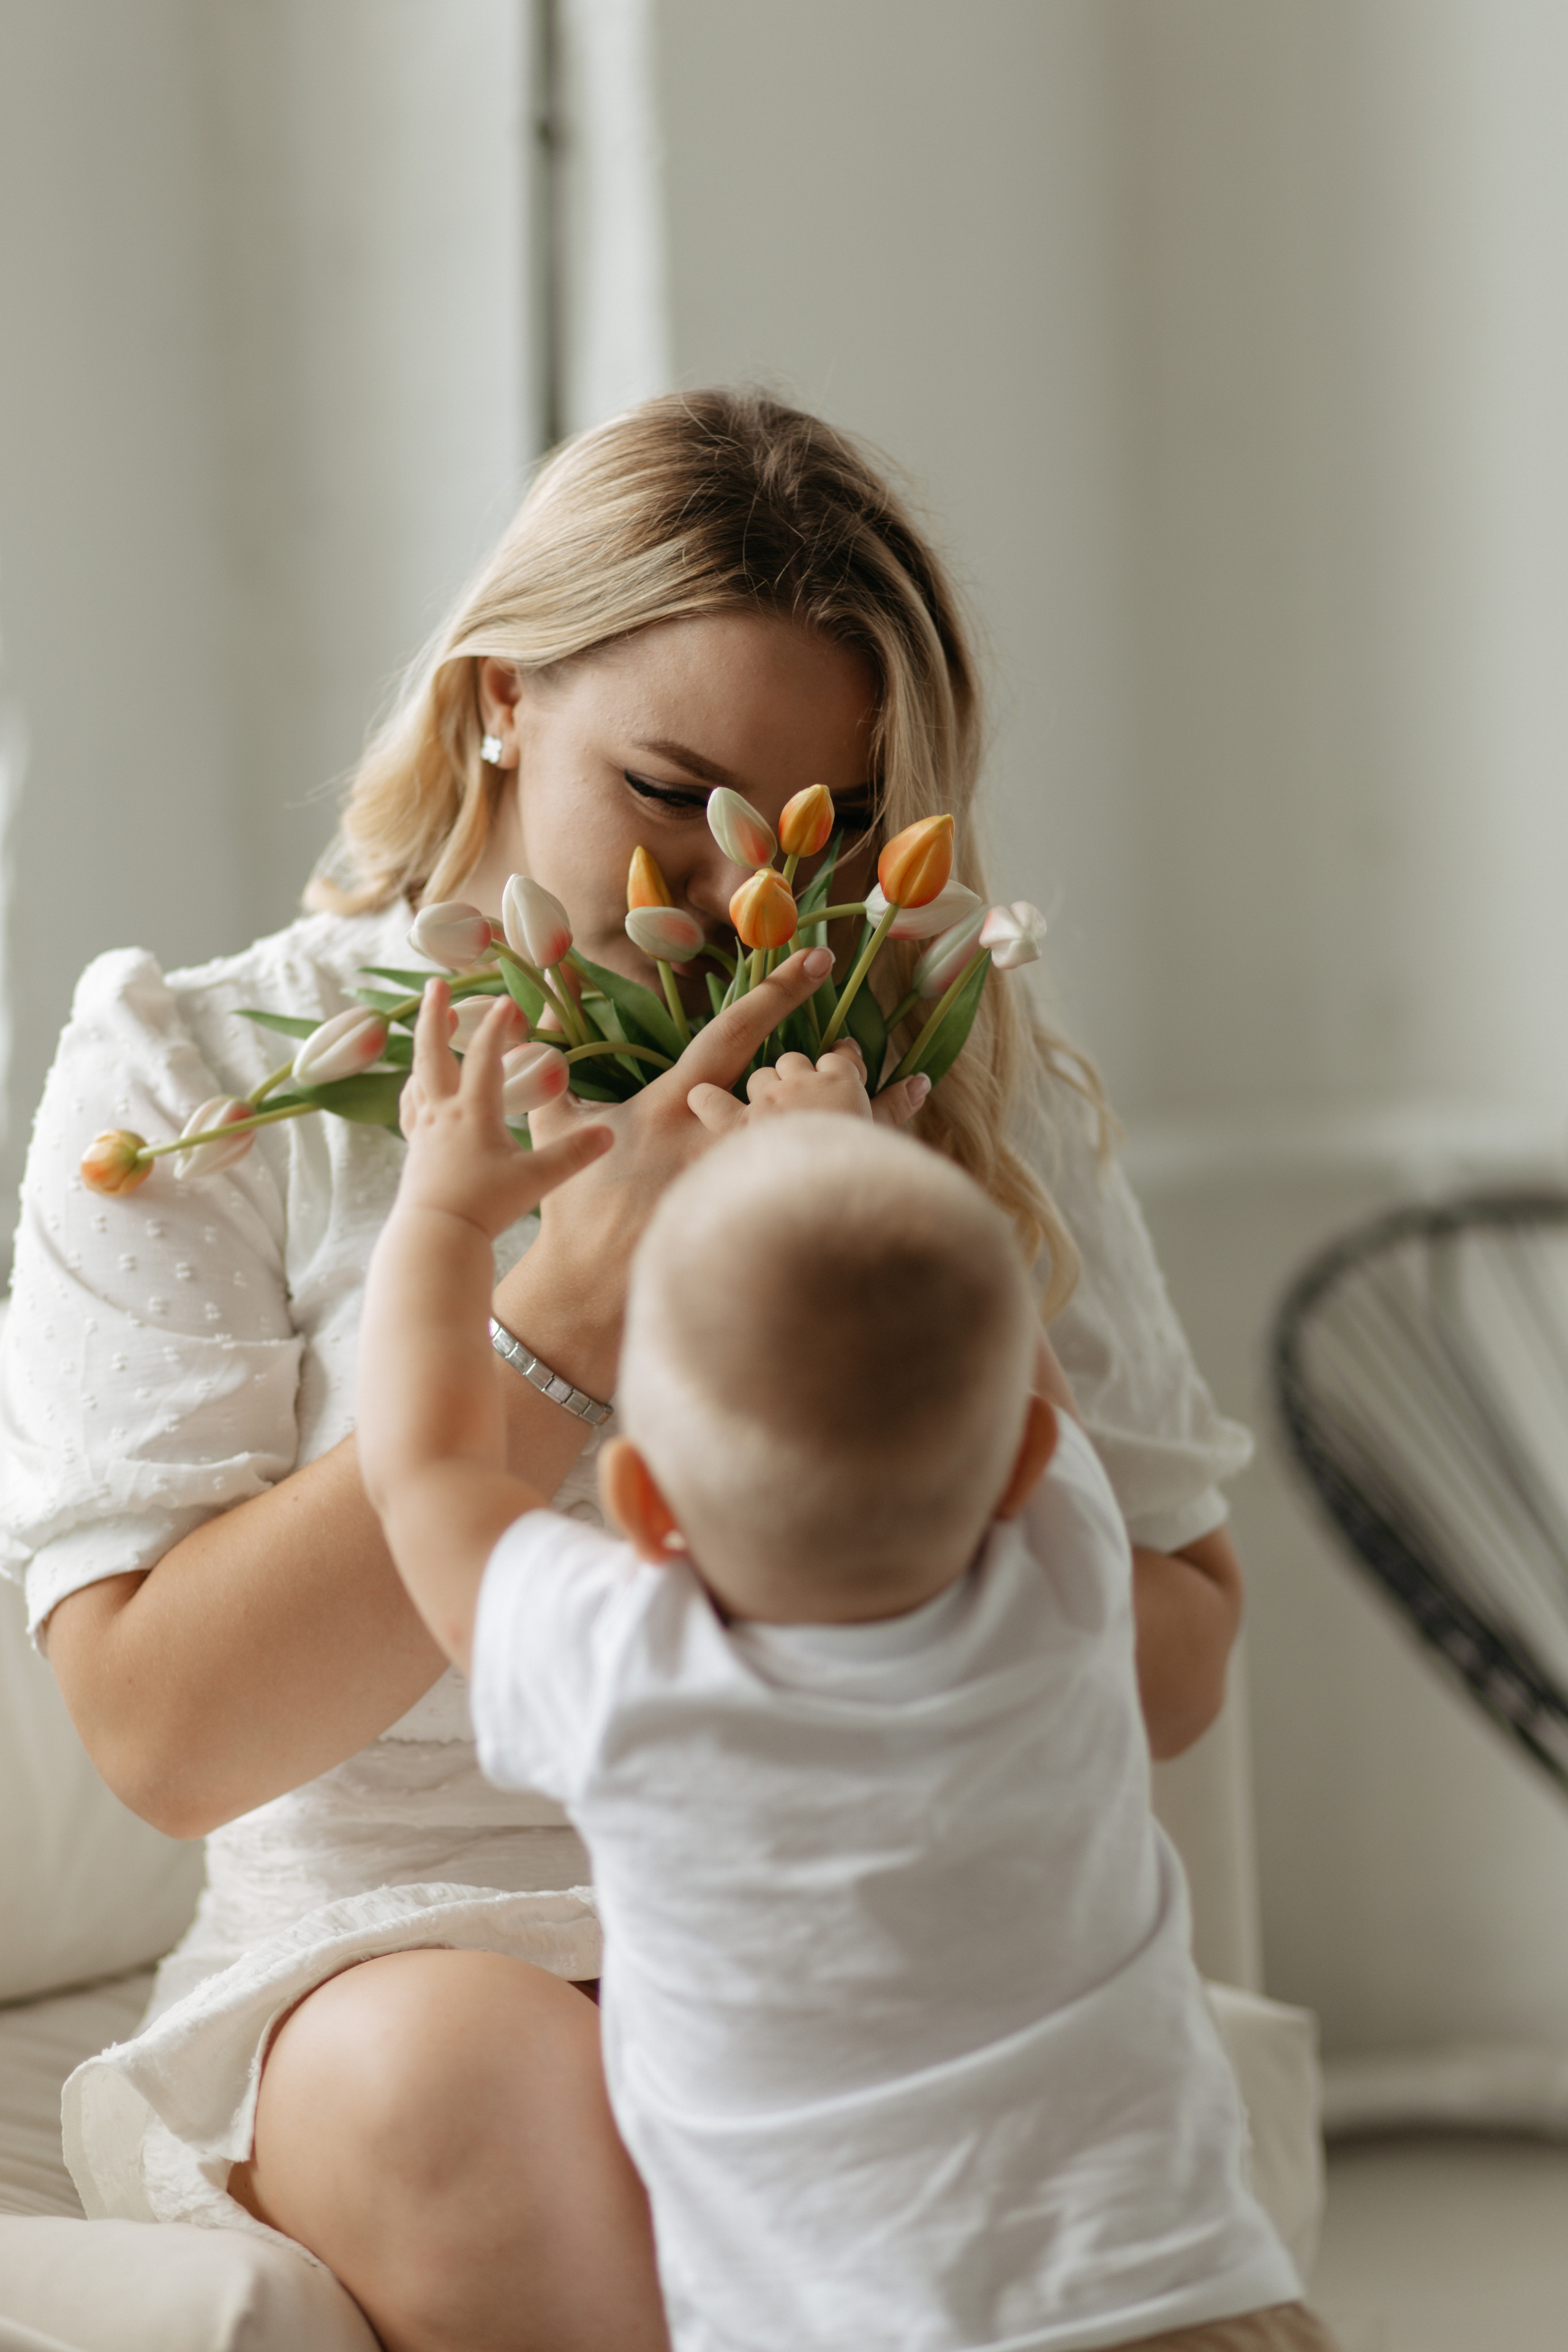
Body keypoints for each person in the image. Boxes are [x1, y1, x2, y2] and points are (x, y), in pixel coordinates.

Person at [0, 390, 1251, 2352]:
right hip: (404, 1952)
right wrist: (560, 1315)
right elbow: (165, 1736)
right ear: (500, 699)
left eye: (811, 841)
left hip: (860, 1904)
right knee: (492, 2100)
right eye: (665, 795)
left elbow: (1179, 1659)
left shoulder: (933, 1063)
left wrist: (919, 1334)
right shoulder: (200, 1082)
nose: (713, 900)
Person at [356, 990, 1330, 2352]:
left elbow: (426, 1473)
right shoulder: (1060, 1580)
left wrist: (447, 1217)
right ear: (1019, 1470)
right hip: (1183, 2297)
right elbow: (1011, 1385)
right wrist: (865, 1160)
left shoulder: (627, 1671)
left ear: (640, 1507)